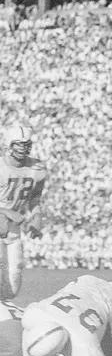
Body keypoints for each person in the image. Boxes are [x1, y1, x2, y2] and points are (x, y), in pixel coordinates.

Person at [0, 125, 47, 300]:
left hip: (13, 229)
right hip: (4, 221)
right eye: (18, 144)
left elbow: (34, 199)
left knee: (15, 274)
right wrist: (6, 212)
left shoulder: (37, 169)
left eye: (26, 144)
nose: (22, 148)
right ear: (9, 145)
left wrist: (36, 217)